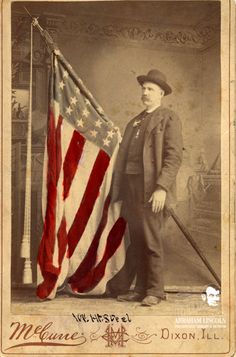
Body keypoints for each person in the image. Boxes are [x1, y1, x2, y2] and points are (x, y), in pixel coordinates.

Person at [108, 69, 183, 306]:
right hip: (131, 187)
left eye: (150, 89)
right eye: (144, 88)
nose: (145, 92)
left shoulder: (168, 118)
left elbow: (173, 157)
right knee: (137, 239)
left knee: (151, 239)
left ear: (161, 93)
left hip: (152, 189)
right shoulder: (135, 121)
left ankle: (155, 290)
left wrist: (161, 188)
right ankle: (140, 289)